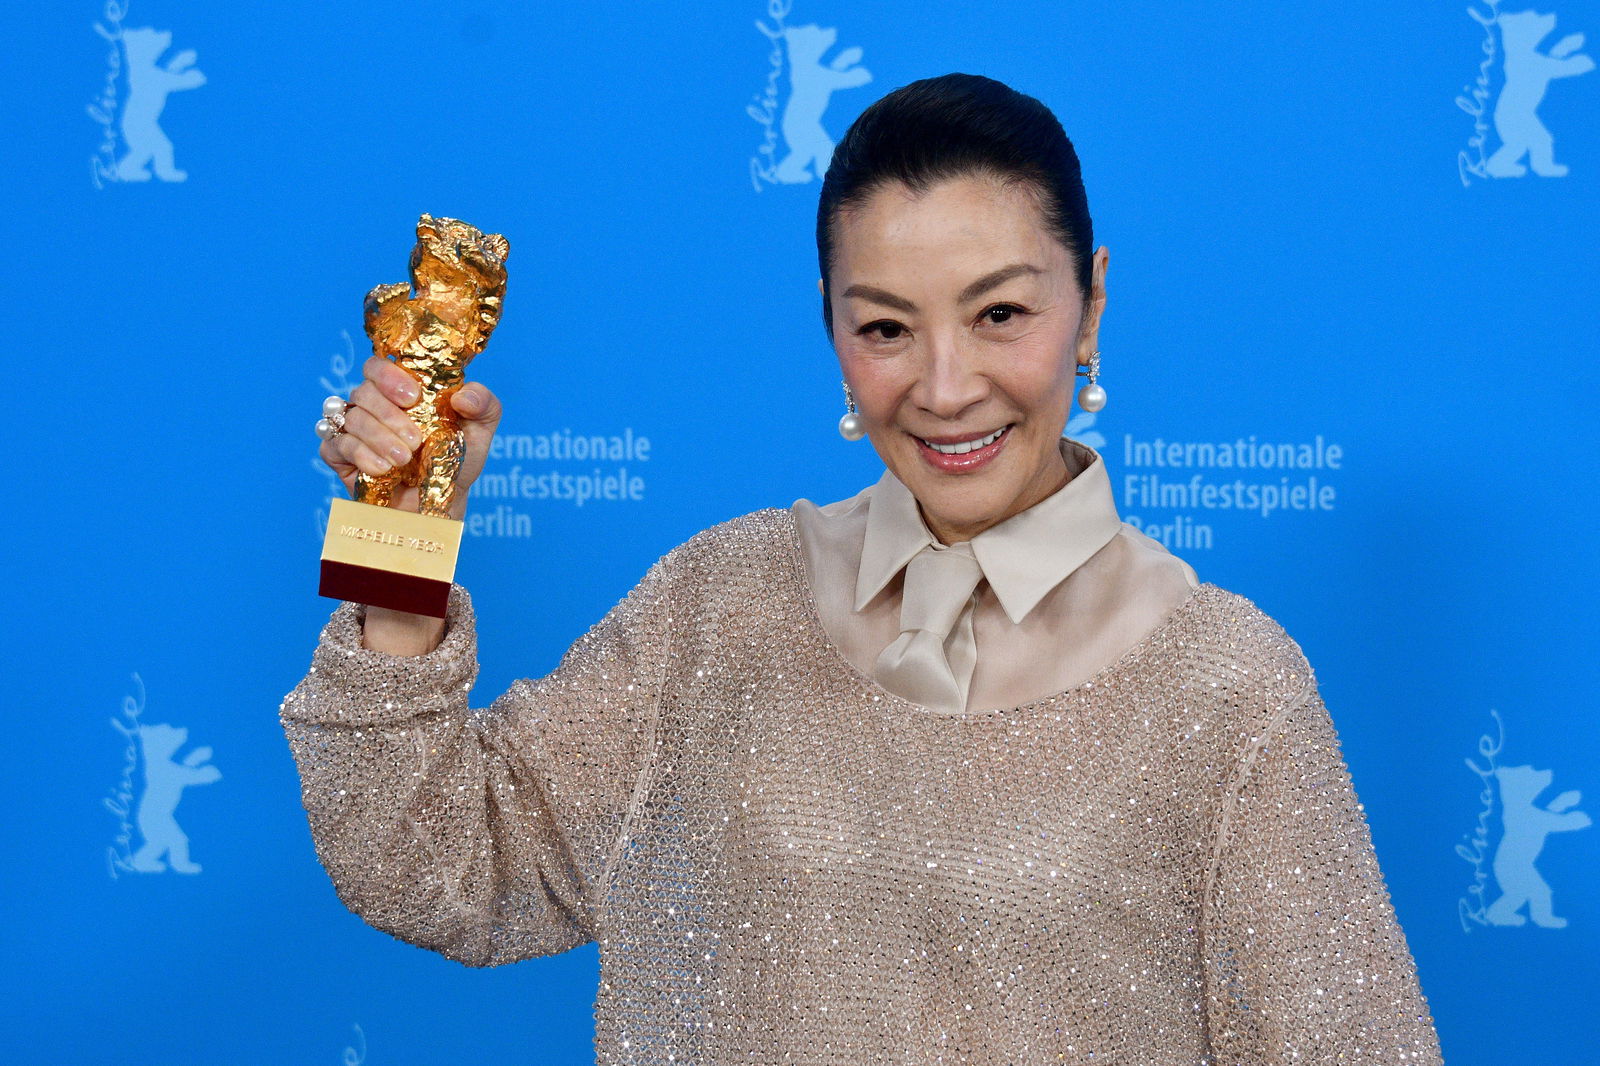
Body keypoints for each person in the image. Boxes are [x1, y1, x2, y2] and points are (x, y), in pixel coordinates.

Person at [283, 74, 1443, 1063]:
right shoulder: (720, 602)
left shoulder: (1225, 685)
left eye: (999, 313)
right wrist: (403, 528)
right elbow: (431, 860)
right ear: (833, 330)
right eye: (886, 326)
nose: (943, 386)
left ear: (1090, 305)